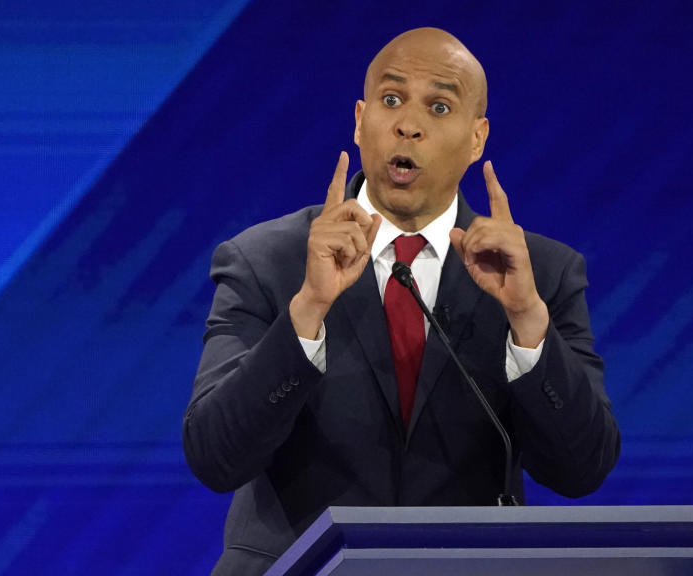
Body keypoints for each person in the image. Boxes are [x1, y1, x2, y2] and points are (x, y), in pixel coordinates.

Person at [183, 27, 620, 576]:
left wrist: (528, 323)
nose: (407, 124)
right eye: (391, 100)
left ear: (478, 137)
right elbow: (215, 457)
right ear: (360, 120)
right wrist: (306, 313)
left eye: (439, 105)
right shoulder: (265, 260)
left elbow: (581, 470)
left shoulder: (539, 275)